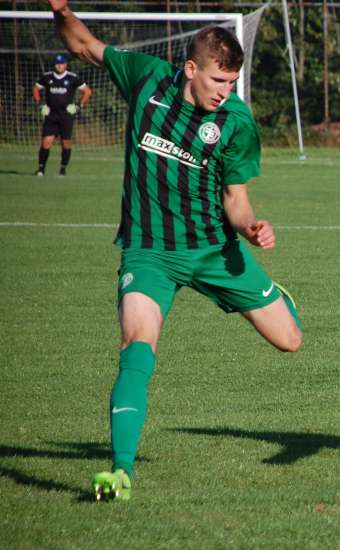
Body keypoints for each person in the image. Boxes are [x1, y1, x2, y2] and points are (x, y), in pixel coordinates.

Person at [48, 0, 303, 502]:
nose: (224, 92)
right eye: (217, 81)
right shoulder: (146, 79)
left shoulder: (235, 122)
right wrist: (60, 9)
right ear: (191, 69)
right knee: (136, 348)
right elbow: (81, 43)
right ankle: (120, 473)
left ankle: (273, 294)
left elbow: (236, 200)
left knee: (290, 340)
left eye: (232, 83)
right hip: (148, 251)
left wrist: (250, 227)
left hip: (212, 249)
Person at [33, 52, 92, 176]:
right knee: (46, 142)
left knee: (66, 144)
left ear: (66, 65)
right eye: (57, 64)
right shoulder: (47, 77)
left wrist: (78, 106)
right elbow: (36, 89)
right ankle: (41, 169)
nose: (59, 66)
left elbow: (87, 92)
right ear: (54, 65)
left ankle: (62, 169)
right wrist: (40, 105)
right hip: (51, 115)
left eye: (62, 64)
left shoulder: (72, 78)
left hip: (66, 116)